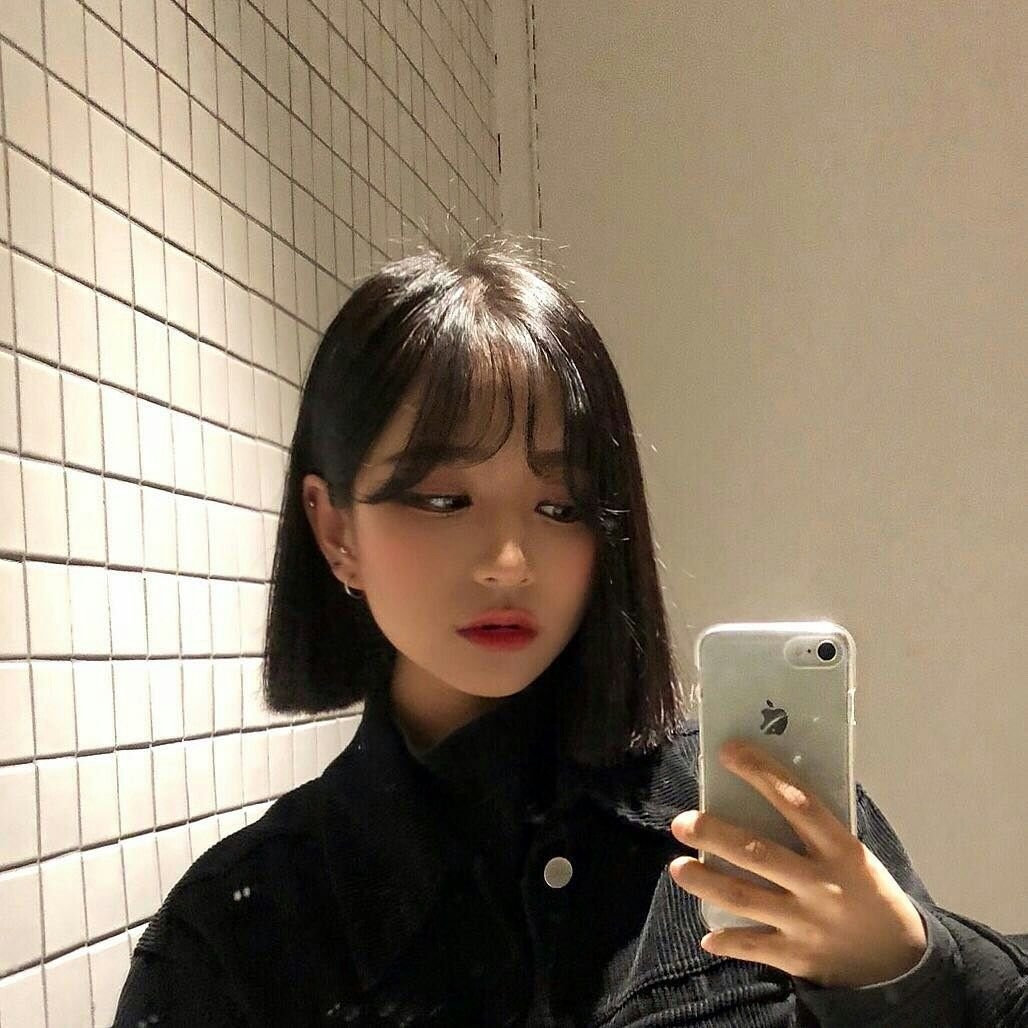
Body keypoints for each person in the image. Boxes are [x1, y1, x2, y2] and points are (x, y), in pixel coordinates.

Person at [114, 236, 1027, 1026]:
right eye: (443, 499)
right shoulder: (239, 934)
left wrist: (904, 972)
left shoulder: (744, 815)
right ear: (335, 530)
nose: (510, 561)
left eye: (561, 506)